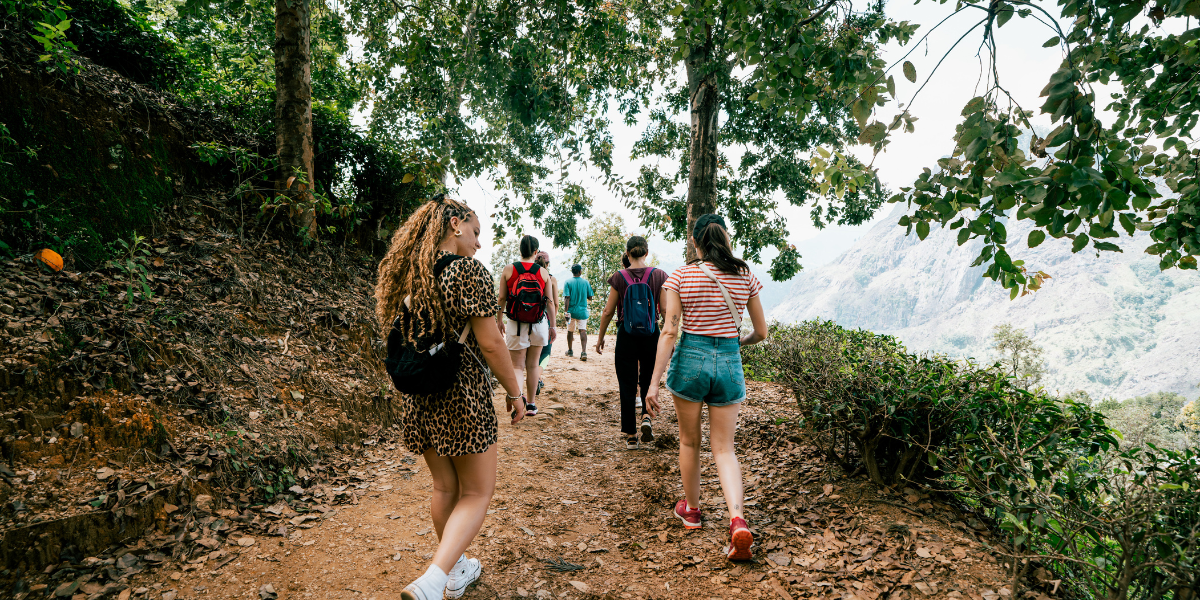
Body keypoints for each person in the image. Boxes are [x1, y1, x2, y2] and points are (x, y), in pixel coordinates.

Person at [375, 195, 527, 600]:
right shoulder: (467, 271)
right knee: (477, 492)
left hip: (420, 394)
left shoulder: (411, 274)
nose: (478, 243)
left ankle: (456, 570)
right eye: (476, 232)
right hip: (460, 397)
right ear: (455, 224)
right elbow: (492, 342)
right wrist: (516, 392)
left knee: (445, 489)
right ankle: (433, 578)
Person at [644, 214, 768, 562]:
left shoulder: (680, 276)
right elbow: (761, 331)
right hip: (728, 360)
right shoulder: (745, 275)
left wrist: (653, 383)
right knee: (724, 449)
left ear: (695, 243)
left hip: (690, 361)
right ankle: (737, 520)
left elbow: (669, 331)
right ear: (724, 238)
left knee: (689, 440)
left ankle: (693, 511)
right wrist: (734, 345)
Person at [594, 236, 667, 449]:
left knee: (627, 384)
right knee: (647, 379)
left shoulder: (619, 276)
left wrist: (600, 338)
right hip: (651, 334)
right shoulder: (659, 275)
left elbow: (608, 311)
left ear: (627, 253)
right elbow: (665, 310)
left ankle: (631, 436)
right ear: (646, 253)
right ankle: (646, 416)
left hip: (626, 335)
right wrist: (668, 338)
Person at [496, 235, 557, 416]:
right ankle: (531, 405)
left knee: (517, 366)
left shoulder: (509, 269)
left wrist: (499, 320)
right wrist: (552, 326)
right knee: (532, 365)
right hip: (539, 323)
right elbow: (550, 302)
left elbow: (501, 299)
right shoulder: (543, 272)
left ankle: (518, 399)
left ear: (520, 250)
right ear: (535, 252)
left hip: (515, 323)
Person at [534, 251, 558, 396]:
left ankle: (535, 377)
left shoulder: (529, 275)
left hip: (529, 319)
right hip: (546, 318)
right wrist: (552, 322)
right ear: (548, 264)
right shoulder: (551, 278)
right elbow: (555, 303)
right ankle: (537, 376)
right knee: (546, 351)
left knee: (533, 352)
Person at [562, 264, 594, 361]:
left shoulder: (567, 282)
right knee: (582, 330)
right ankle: (584, 352)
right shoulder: (585, 282)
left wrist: (566, 312)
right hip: (582, 312)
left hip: (571, 311)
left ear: (572, 271)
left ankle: (570, 350)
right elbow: (590, 297)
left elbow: (567, 298)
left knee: (570, 331)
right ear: (580, 272)